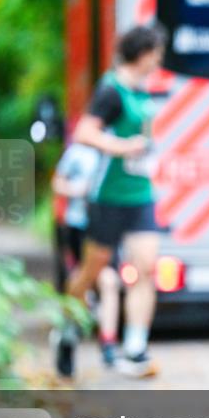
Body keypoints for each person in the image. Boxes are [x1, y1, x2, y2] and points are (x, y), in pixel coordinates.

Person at [52, 25, 166, 379]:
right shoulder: (111, 91)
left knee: (147, 267)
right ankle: (67, 331)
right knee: (92, 270)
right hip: (107, 195)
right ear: (144, 53)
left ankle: (134, 348)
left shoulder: (140, 90)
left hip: (140, 194)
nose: (159, 61)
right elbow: (85, 133)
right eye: (157, 54)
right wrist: (122, 147)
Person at [50, 142, 122, 368]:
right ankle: (69, 336)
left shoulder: (118, 147)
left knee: (108, 281)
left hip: (106, 224)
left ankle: (108, 343)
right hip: (79, 227)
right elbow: (58, 182)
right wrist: (77, 190)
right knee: (81, 281)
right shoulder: (78, 152)